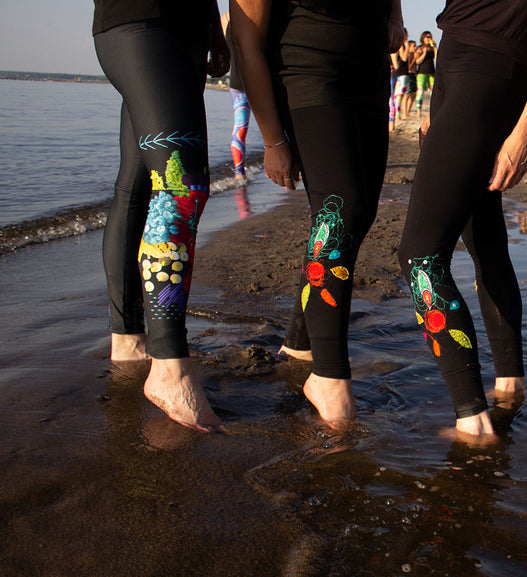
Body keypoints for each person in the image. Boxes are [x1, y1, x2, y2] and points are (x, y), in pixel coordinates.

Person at [397, 0, 527, 440]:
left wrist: (526, 131)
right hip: (458, 65)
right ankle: (510, 386)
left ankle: (473, 420)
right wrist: (435, 100)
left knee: (419, 257)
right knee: (485, 240)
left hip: (490, 73)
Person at [231, 0, 404, 428]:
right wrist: (273, 140)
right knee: (339, 212)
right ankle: (327, 376)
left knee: (360, 213)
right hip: (307, 71)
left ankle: (300, 343)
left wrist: (395, 17)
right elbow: (246, 40)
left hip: (370, 73)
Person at [93, 0, 229, 432]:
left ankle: (129, 340)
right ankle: (169, 365)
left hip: (188, 27)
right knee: (181, 186)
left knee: (135, 187)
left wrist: (213, 27)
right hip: (136, 18)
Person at [221, 10, 252, 182]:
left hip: (237, 81)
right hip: (255, 80)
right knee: (282, 125)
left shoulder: (225, 18)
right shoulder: (256, 11)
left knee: (240, 127)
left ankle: (239, 173)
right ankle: (293, 169)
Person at [413, 31, 437, 117]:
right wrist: (424, 53)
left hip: (431, 72)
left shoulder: (432, 48)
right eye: (427, 37)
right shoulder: (419, 48)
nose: (429, 38)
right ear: (423, 38)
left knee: (433, 92)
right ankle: (418, 112)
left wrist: (435, 47)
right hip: (421, 73)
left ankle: (433, 111)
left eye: (430, 37)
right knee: (420, 92)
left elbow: (436, 57)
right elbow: (417, 61)